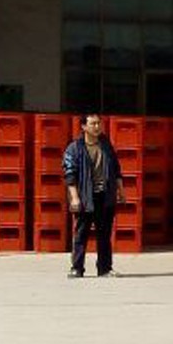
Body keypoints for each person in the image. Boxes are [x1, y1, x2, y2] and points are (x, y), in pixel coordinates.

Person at [62, 114, 126, 278]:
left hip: (105, 196)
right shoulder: (74, 148)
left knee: (104, 235)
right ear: (84, 127)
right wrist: (74, 198)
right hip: (85, 197)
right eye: (93, 124)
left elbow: (116, 169)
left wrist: (120, 191)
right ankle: (77, 268)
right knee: (81, 234)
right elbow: (70, 175)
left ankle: (104, 268)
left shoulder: (106, 145)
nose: (97, 127)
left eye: (98, 123)